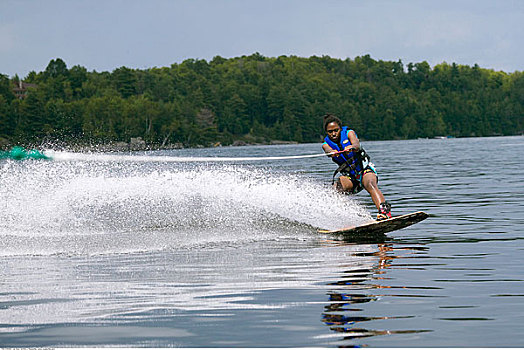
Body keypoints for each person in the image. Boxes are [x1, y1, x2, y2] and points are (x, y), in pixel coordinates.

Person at [322, 113, 392, 220]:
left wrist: (353, 147)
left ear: (340, 129)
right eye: (330, 132)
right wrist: (332, 152)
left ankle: (384, 213)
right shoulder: (325, 144)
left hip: (365, 171)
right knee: (335, 190)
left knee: (370, 183)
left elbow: (356, 144)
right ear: (327, 133)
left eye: (336, 130)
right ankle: (347, 219)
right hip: (350, 177)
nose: (334, 134)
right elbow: (328, 150)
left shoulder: (349, 133)